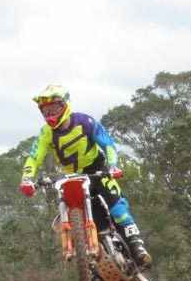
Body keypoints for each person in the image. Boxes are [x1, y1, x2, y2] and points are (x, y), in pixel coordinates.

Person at [20, 85, 151, 270]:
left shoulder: (85, 122)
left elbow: (108, 144)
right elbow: (34, 158)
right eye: (45, 110)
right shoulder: (46, 134)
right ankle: (93, 269)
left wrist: (113, 165)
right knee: (74, 218)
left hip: (97, 171)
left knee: (117, 208)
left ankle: (137, 246)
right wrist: (27, 178)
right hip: (73, 178)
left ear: (65, 105)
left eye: (53, 108)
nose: (49, 114)